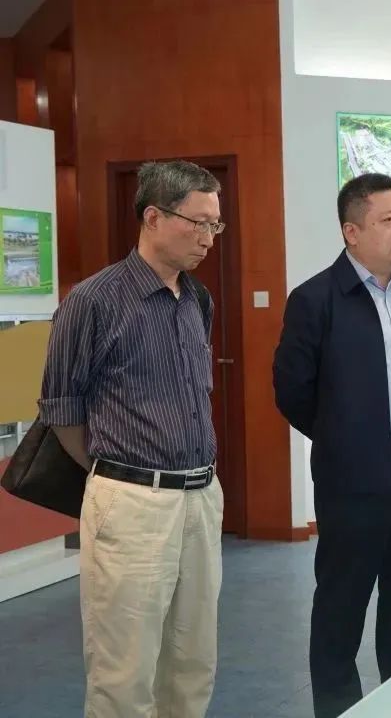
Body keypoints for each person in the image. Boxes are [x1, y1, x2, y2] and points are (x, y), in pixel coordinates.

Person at [39, 160, 226, 718]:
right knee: (124, 671)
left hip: (201, 497)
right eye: (198, 223)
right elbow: (62, 409)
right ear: (153, 217)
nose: (208, 238)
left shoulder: (197, 299)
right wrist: (117, 475)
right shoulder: (93, 301)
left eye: (215, 225)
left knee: (193, 662)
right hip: (132, 501)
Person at [273, 173, 391, 718]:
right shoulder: (315, 299)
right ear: (352, 232)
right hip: (353, 477)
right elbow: (293, 392)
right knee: (342, 606)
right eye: (387, 220)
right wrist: (347, 438)